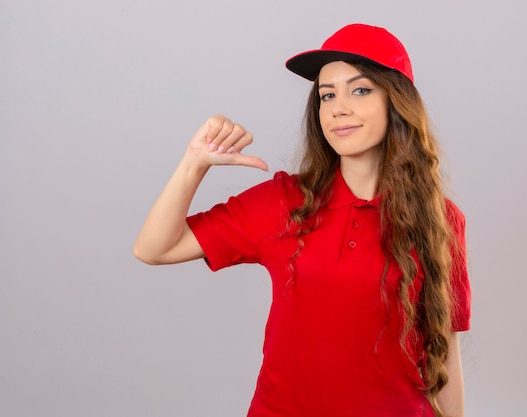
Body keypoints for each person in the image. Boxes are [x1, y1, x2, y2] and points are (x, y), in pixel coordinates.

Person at [134, 23, 471, 417]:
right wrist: (194, 163)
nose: (338, 107)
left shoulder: (441, 218)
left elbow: (443, 349)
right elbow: (154, 248)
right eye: (327, 96)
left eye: (360, 90)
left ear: (396, 101)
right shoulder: (284, 202)